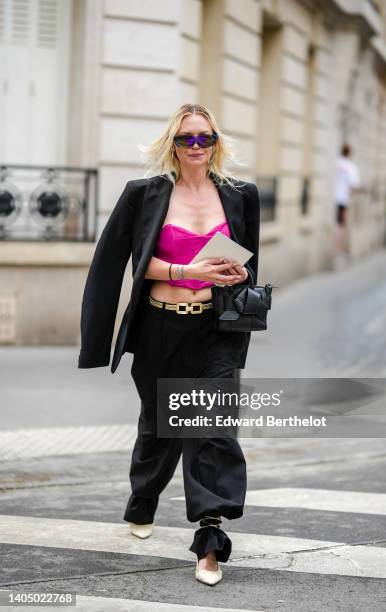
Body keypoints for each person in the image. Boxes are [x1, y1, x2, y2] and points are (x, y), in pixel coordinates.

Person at [78, 103, 260, 586]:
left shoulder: (242, 196)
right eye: (187, 139)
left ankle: (209, 540)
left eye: (205, 138)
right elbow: (123, 262)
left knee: (212, 430)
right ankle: (143, 499)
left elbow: (248, 265)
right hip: (160, 328)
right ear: (173, 144)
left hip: (215, 330)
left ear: (217, 143)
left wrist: (239, 274)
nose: (197, 147)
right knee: (160, 426)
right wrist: (186, 271)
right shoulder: (145, 194)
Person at [334, 143, 360, 255]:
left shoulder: (335, 162)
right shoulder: (351, 167)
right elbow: (354, 185)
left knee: (336, 222)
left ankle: (335, 247)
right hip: (343, 199)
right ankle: (338, 248)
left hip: (333, 198)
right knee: (341, 224)